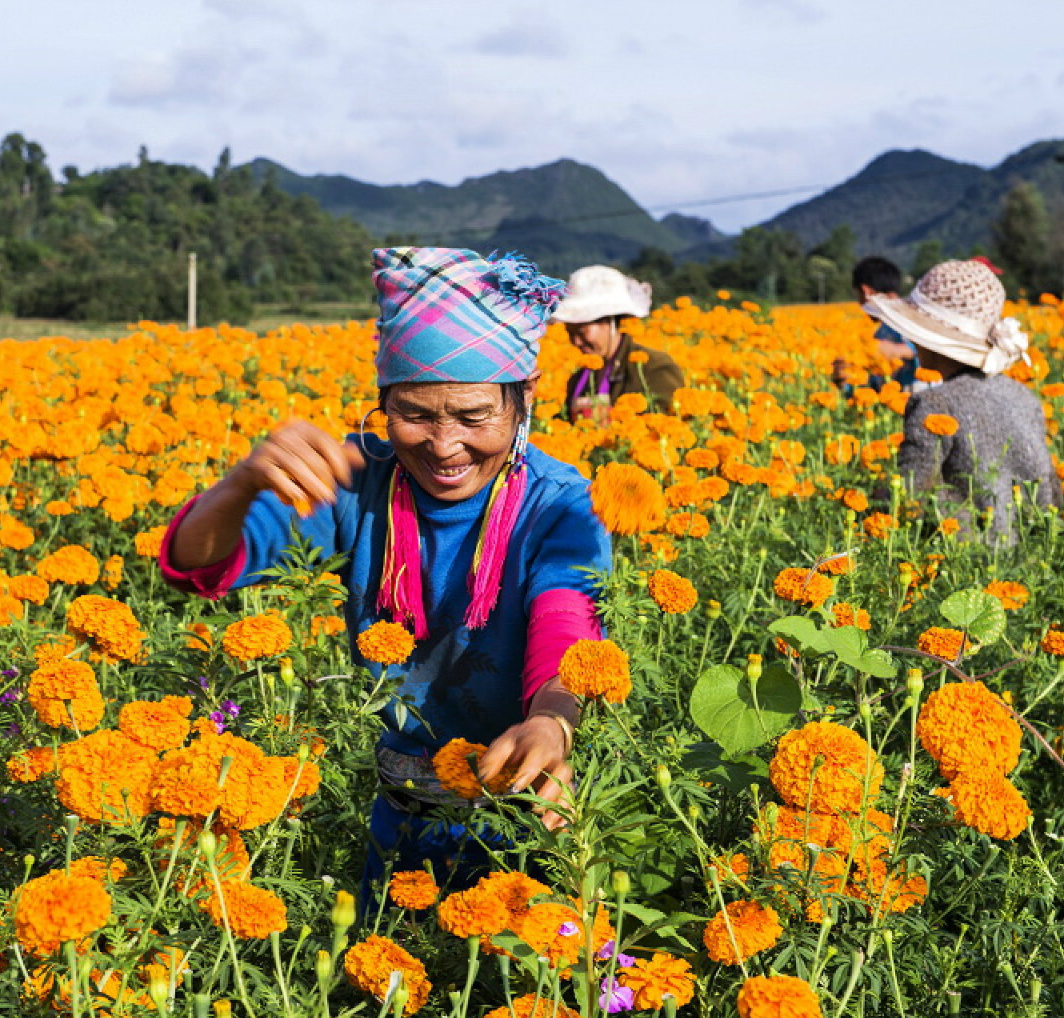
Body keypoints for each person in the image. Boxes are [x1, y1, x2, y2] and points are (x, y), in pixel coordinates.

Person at [160, 247, 613, 893]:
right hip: (400, 821)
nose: (444, 444)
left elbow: (567, 624)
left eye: (474, 415)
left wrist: (551, 720)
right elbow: (196, 565)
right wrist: (240, 485)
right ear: (382, 400)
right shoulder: (353, 483)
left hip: (532, 820)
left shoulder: (559, 502)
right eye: (416, 414)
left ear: (525, 398)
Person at [864, 259, 1060, 544]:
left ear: (930, 341)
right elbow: (1050, 490)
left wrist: (869, 507)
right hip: (1026, 554)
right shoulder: (1024, 396)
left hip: (961, 561)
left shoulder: (934, 404)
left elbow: (910, 494)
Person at [551, 265, 684, 421]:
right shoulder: (579, 378)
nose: (576, 341)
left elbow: (665, 423)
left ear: (610, 321)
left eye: (581, 332)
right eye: (570, 333)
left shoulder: (654, 367)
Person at [832, 257, 920, 394]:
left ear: (866, 291)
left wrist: (898, 350)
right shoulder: (881, 332)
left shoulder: (915, 320)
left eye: (858, 296)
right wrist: (844, 383)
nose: (860, 304)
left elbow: (932, 350)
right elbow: (875, 385)